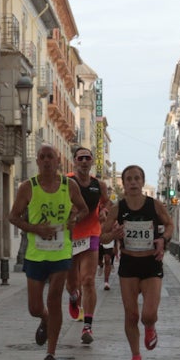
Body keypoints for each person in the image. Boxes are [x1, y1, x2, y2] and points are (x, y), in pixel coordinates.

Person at [9, 142, 87, 360]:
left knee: (54, 298)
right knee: (35, 307)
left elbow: (83, 209)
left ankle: (51, 354)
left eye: (50, 157)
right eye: (42, 157)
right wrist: (35, 228)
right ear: (37, 162)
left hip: (61, 252)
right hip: (35, 254)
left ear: (58, 162)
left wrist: (75, 219)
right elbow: (13, 217)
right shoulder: (28, 187)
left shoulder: (68, 186)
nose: (45, 160)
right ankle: (44, 319)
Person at [100, 164, 172, 360]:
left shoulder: (155, 205)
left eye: (137, 178)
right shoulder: (117, 209)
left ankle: (150, 326)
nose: (133, 182)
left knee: (148, 314)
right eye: (129, 179)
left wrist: (162, 240)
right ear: (124, 183)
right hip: (129, 265)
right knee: (131, 315)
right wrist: (114, 235)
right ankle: (135, 358)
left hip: (151, 263)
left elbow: (169, 225)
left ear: (142, 181)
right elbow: (101, 236)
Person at [63, 147, 111, 345]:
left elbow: (107, 203)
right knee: (72, 284)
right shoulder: (65, 181)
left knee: (88, 280)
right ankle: (74, 297)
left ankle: (88, 326)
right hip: (68, 236)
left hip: (91, 234)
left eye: (87, 158)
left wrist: (104, 212)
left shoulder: (99, 185)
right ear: (74, 161)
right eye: (80, 158)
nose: (84, 161)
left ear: (91, 162)